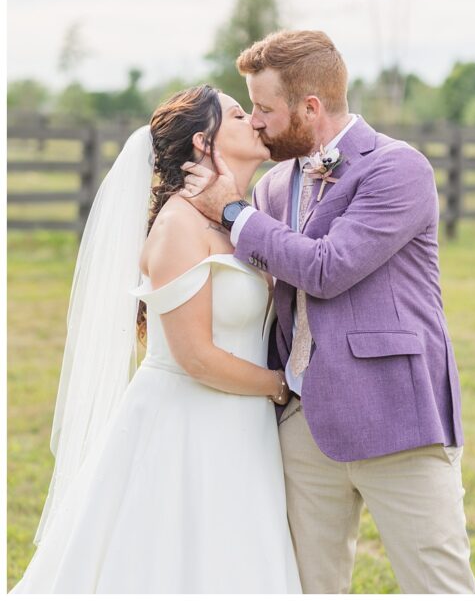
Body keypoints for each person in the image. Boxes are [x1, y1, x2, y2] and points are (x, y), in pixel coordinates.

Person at [180, 30, 475, 594]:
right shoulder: (271, 190)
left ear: (310, 107)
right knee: (308, 586)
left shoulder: (398, 169)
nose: (259, 122)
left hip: (398, 417)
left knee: (438, 583)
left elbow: (327, 268)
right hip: (302, 421)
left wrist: (233, 213)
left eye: (265, 108)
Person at [13, 85, 301, 593]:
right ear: (203, 142)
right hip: (187, 425)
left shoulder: (244, 217)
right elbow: (196, 357)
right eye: (239, 115)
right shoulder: (178, 227)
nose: (255, 121)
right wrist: (283, 386)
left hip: (241, 424)